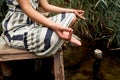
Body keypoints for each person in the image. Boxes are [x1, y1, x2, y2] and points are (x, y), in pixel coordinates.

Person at [2, 0, 85, 57]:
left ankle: (59, 38)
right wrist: (53, 26)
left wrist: (71, 10)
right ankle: (59, 38)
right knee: (51, 38)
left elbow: (46, 6)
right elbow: (27, 8)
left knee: (72, 17)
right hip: (16, 29)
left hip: (34, 25)